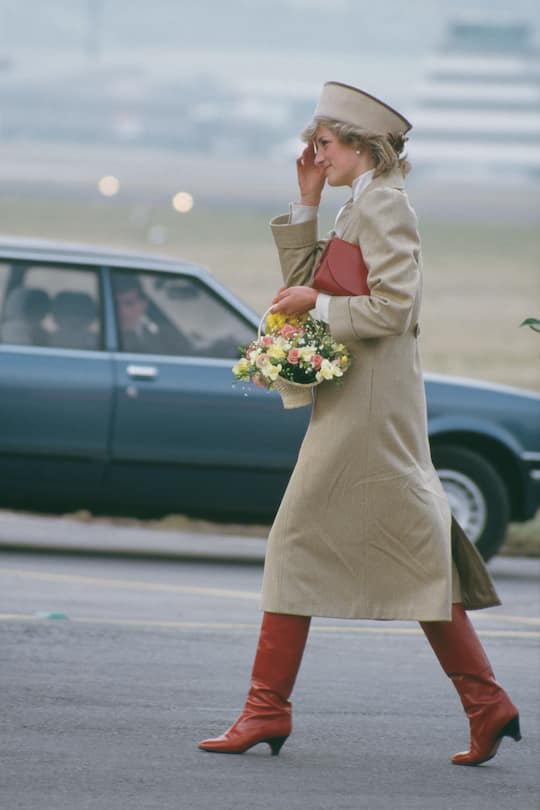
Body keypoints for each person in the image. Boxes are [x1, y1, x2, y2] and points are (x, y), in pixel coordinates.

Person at [198, 81, 521, 766]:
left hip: (371, 412)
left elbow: (393, 309)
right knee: (415, 556)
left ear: (360, 145)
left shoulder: (386, 208)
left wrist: (315, 304)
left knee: (298, 544)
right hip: (360, 404)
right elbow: (307, 287)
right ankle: (486, 704)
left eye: (324, 143)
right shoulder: (359, 205)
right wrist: (308, 205)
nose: (313, 153)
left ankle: (266, 710)